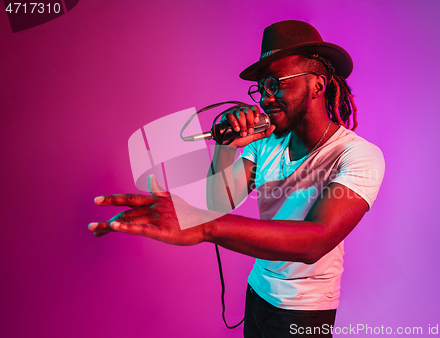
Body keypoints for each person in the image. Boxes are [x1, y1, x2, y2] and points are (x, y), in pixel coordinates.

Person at [89, 20, 385, 338]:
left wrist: (203, 225)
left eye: (276, 83)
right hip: (257, 295)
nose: (265, 98)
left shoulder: (357, 155)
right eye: (262, 87)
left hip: (304, 312)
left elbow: (316, 240)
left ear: (317, 85)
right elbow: (218, 201)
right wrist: (225, 148)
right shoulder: (266, 143)